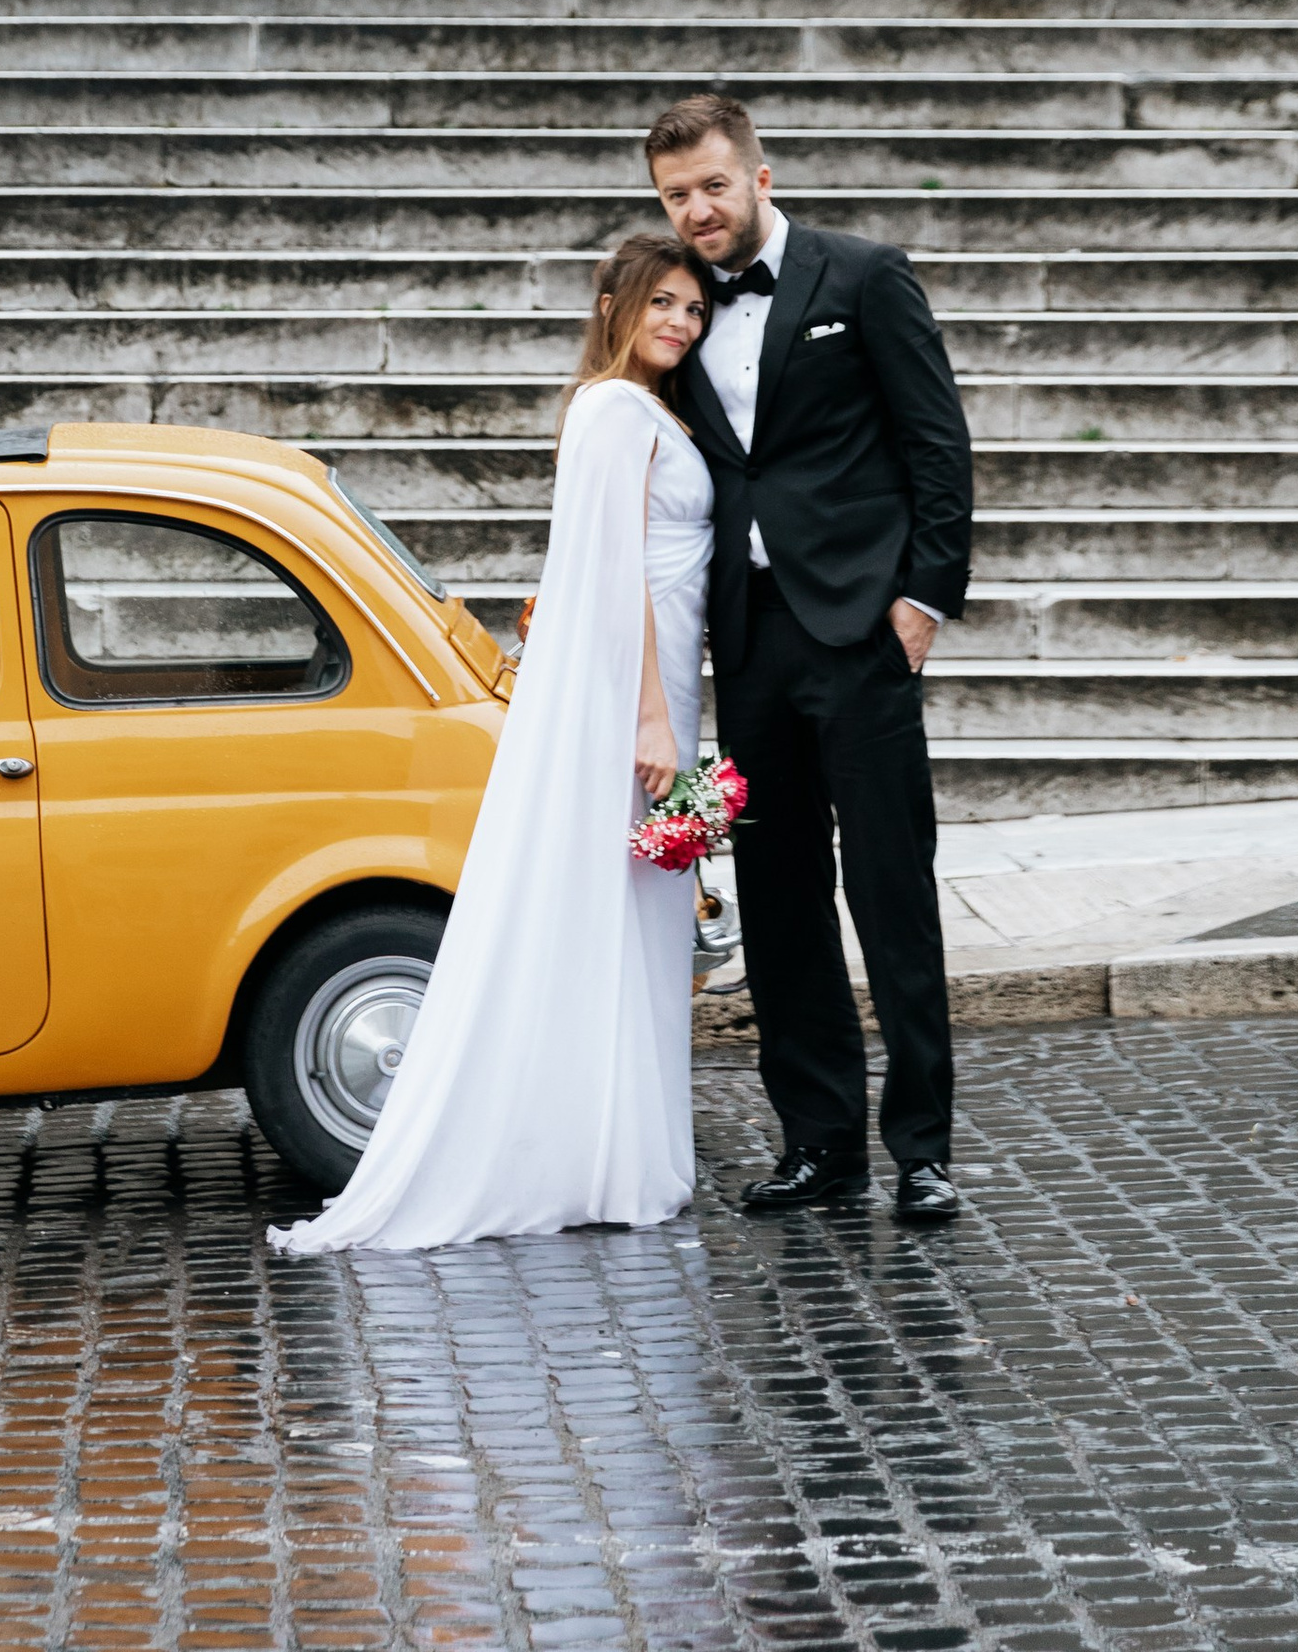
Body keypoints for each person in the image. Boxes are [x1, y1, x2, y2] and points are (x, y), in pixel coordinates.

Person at [269, 231, 717, 1254]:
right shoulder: (611, 410)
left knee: (642, 913)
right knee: (616, 904)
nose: (680, 324)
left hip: (662, 690)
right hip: (630, 697)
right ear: (616, 305)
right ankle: (597, 1151)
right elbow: (617, 578)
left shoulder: (646, 409)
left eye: (692, 308)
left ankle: (623, 1147)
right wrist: (652, 716)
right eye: (663, 304)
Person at [647, 88, 974, 1226]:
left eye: (712, 186)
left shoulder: (864, 274)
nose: (697, 208)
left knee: (891, 890)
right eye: (676, 194)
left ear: (759, 178)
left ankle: (922, 1149)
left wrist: (925, 596)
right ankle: (820, 1144)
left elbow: (936, 441)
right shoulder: (675, 311)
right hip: (749, 641)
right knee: (781, 903)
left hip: (861, 629)